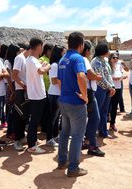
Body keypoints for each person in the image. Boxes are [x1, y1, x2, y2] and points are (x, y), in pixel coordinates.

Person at [57, 32, 88, 177]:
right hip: (75, 103)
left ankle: (62, 161)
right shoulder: (78, 58)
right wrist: (85, 96)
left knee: (65, 132)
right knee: (77, 135)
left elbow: (59, 81)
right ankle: (73, 167)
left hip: (64, 101)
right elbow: (81, 76)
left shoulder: (63, 59)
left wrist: (65, 93)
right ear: (81, 44)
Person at [26, 38, 51, 153]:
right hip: (36, 95)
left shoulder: (32, 60)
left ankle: (33, 142)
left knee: (35, 120)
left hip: (37, 94)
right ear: (39, 47)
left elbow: (39, 69)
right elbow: (41, 71)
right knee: (34, 121)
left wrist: (43, 65)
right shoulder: (32, 60)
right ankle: (32, 145)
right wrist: (48, 66)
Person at [91, 43, 115, 138]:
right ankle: (93, 132)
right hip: (100, 89)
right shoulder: (96, 61)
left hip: (107, 89)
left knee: (104, 111)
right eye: (108, 49)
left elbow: (109, 75)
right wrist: (110, 87)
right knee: (98, 111)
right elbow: (100, 78)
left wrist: (112, 86)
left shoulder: (104, 61)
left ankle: (103, 131)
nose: (109, 51)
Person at [12, 43, 31, 151]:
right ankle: (17, 141)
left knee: (24, 115)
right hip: (21, 91)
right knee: (19, 115)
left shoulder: (25, 58)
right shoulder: (19, 58)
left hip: (25, 91)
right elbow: (14, 75)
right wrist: (24, 85)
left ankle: (22, 137)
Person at [47, 45, 66, 146]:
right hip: (54, 93)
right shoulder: (54, 65)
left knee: (56, 116)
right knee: (52, 118)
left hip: (57, 93)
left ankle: (55, 136)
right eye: (63, 52)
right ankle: (49, 138)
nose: (65, 54)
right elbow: (54, 81)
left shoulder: (58, 64)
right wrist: (63, 91)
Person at [108, 53, 128, 132]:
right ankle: (102, 125)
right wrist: (120, 78)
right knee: (107, 107)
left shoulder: (119, 64)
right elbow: (110, 77)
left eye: (117, 57)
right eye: (114, 57)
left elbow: (127, 70)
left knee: (114, 107)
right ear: (110, 58)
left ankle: (112, 124)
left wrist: (124, 64)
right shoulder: (107, 65)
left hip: (118, 88)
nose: (115, 59)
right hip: (109, 88)